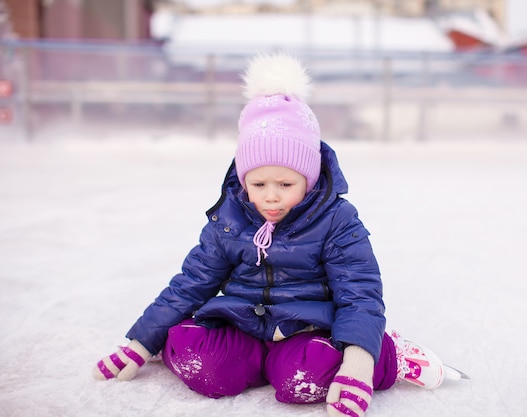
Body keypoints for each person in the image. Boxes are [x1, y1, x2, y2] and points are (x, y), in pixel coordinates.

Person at [93, 53, 464, 417]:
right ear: (243, 180)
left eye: (286, 183)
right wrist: (142, 342)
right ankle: (249, 364)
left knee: (303, 378)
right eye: (258, 183)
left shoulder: (337, 220)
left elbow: (359, 292)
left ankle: (388, 357)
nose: (271, 195)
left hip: (307, 328)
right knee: (193, 352)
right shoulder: (229, 220)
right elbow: (192, 283)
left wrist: (359, 363)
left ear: (310, 178)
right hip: (242, 323)